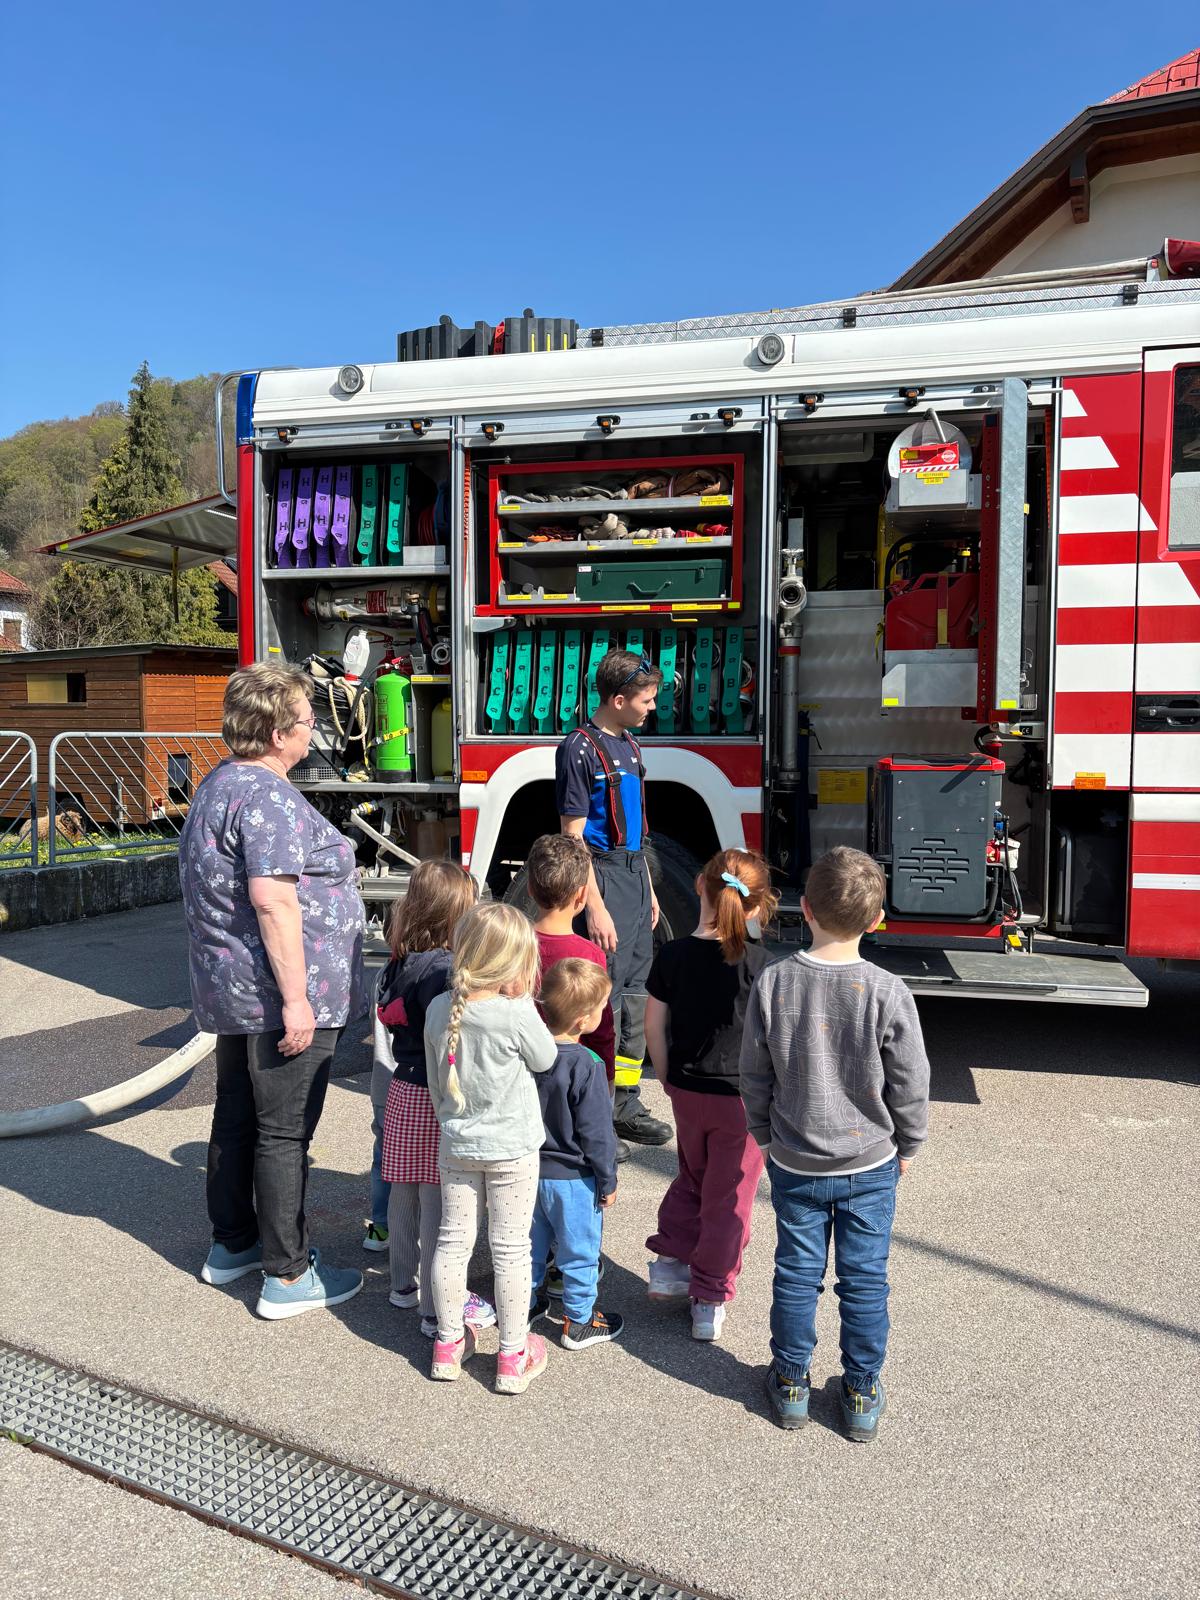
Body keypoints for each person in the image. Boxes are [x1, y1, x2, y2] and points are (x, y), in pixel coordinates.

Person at [182, 662, 366, 1319]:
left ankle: (233, 1244)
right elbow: (272, 901)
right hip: (278, 994)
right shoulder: (268, 798)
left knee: (237, 1114)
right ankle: (287, 1276)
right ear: (279, 731)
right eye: (310, 721)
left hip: (233, 988)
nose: (315, 731)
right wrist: (296, 1000)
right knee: (283, 1133)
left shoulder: (219, 783)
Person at [739, 846, 930, 1440]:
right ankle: (861, 1391)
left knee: (797, 1274)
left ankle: (791, 1383)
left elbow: (754, 1071)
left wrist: (763, 1132)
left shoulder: (775, 980)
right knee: (865, 1280)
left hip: (795, 1160)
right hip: (870, 1160)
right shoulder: (888, 989)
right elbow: (911, 1079)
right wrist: (909, 1143)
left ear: (805, 909)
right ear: (877, 920)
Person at [644, 847, 779, 1342]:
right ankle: (709, 1295)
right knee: (729, 1197)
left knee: (693, 1175)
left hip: (686, 1089)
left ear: (700, 886)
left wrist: (667, 1078)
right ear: (757, 906)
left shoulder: (672, 955)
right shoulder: (763, 966)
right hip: (742, 1103)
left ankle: (670, 1263)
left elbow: (653, 1026)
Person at [425, 902, 557, 1394]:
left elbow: (437, 1084)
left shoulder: (440, 1009)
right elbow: (545, 1059)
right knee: (512, 1250)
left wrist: (451, 1122)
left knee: (452, 1242)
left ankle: (447, 1344)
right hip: (513, 1148)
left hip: (457, 1143)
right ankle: (511, 1355)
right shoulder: (516, 1013)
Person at [555, 647, 671, 1147]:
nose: (652, 708)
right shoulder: (579, 748)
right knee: (604, 999)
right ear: (618, 699)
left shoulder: (630, 745)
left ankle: (625, 1102)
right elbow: (574, 837)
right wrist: (595, 905)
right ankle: (595, 1111)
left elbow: (637, 828)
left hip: (634, 875)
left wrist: (649, 889)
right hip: (601, 876)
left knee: (637, 995)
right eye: (646, 700)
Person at [374, 859, 494, 1337]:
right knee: (436, 1203)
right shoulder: (444, 969)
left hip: (401, 1090)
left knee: (402, 1194)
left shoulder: (398, 960)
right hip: (432, 1095)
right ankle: (433, 1306)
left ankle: (401, 1285)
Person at [529, 959, 623, 1350]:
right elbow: (597, 1133)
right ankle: (579, 1320)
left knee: (528, 1247)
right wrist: (608, 1178)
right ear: (583, 1020)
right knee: (580, 1252)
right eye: (601, 1007)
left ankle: (524, 1303)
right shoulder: (587, 1064)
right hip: (575, 1179)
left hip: (529, 1173)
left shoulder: (530, 1055)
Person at [525, 832, 623, 1159]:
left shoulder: (516, 943)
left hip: (519, 1067)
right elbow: (602, 1027)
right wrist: (607, 1080)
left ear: (530, 888)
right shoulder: (589, 955)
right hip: (570, 1073)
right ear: (582, 895)